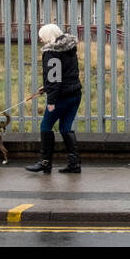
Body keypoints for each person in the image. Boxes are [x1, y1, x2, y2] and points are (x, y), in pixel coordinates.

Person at [25, 23, 83, 174]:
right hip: (75, 94)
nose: (40, 39)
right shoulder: (69, 48)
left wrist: (51, 101)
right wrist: (46, 87)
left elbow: (55, 79)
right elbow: (66, 73)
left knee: (45, 126)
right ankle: (74, 163)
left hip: (61, 98)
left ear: (47, 36)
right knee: (65, 127)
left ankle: (45, 162)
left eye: (41, 36)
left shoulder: (52, 52)